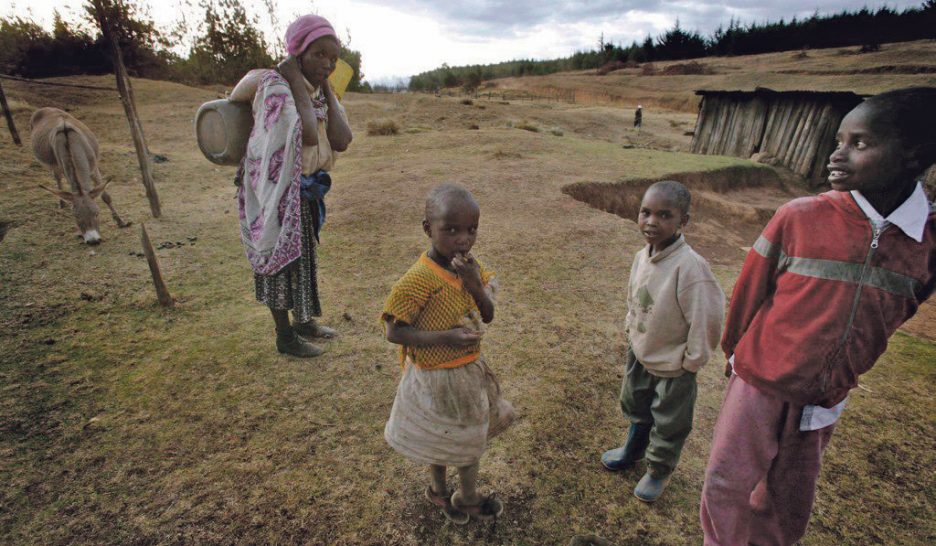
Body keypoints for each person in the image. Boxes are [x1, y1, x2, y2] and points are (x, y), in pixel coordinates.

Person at [700, 87, 936, 545]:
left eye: (859, 143)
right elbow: (749, 293)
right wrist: (736, 358)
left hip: (826, 395)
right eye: (838, 140)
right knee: (727, 480)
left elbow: (901, 309)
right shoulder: (799, 216)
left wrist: (847, 363)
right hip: (757, 382)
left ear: (915, 155)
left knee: (790, 494)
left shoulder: (926, 243)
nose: (837, 154)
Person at [382, 184, 515, 524]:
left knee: (468, 436)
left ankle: (466, 496)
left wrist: (474, 284)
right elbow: (394, 331)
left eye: (471, 230)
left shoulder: (473, 267)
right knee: (437, 436)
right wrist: (447, 337)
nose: (463, 239)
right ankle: (442, 492)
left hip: (468, 373)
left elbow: (488, 314)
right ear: (428, 229)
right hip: (435, 377)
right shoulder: (417, 280)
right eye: (451, 229)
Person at [230, 14, 353, 358]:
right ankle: (285, 337)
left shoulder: (316, 90)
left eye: (333, 57)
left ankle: (303, 321)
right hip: (276, 195)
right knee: (281, 264)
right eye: (319, 55)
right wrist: (295, 80)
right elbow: (309, 135)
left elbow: (341, 140)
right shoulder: (275, 86)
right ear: (296, 52)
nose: (328, 64)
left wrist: (325, 86)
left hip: (304, 191)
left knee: (304, 260)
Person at [601, 181, 725, 502]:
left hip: (674, 366)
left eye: (664, 215)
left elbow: (707, 318)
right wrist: (632, 330)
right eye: (646, 212)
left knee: (669, 422)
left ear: (684, 221)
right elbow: (633, 298)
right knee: (636, 405)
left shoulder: (691, 268)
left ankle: (658, 469)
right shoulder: (641, 257)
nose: (652, 222)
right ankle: (634, 448)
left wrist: (692, 361)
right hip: (641, 353)